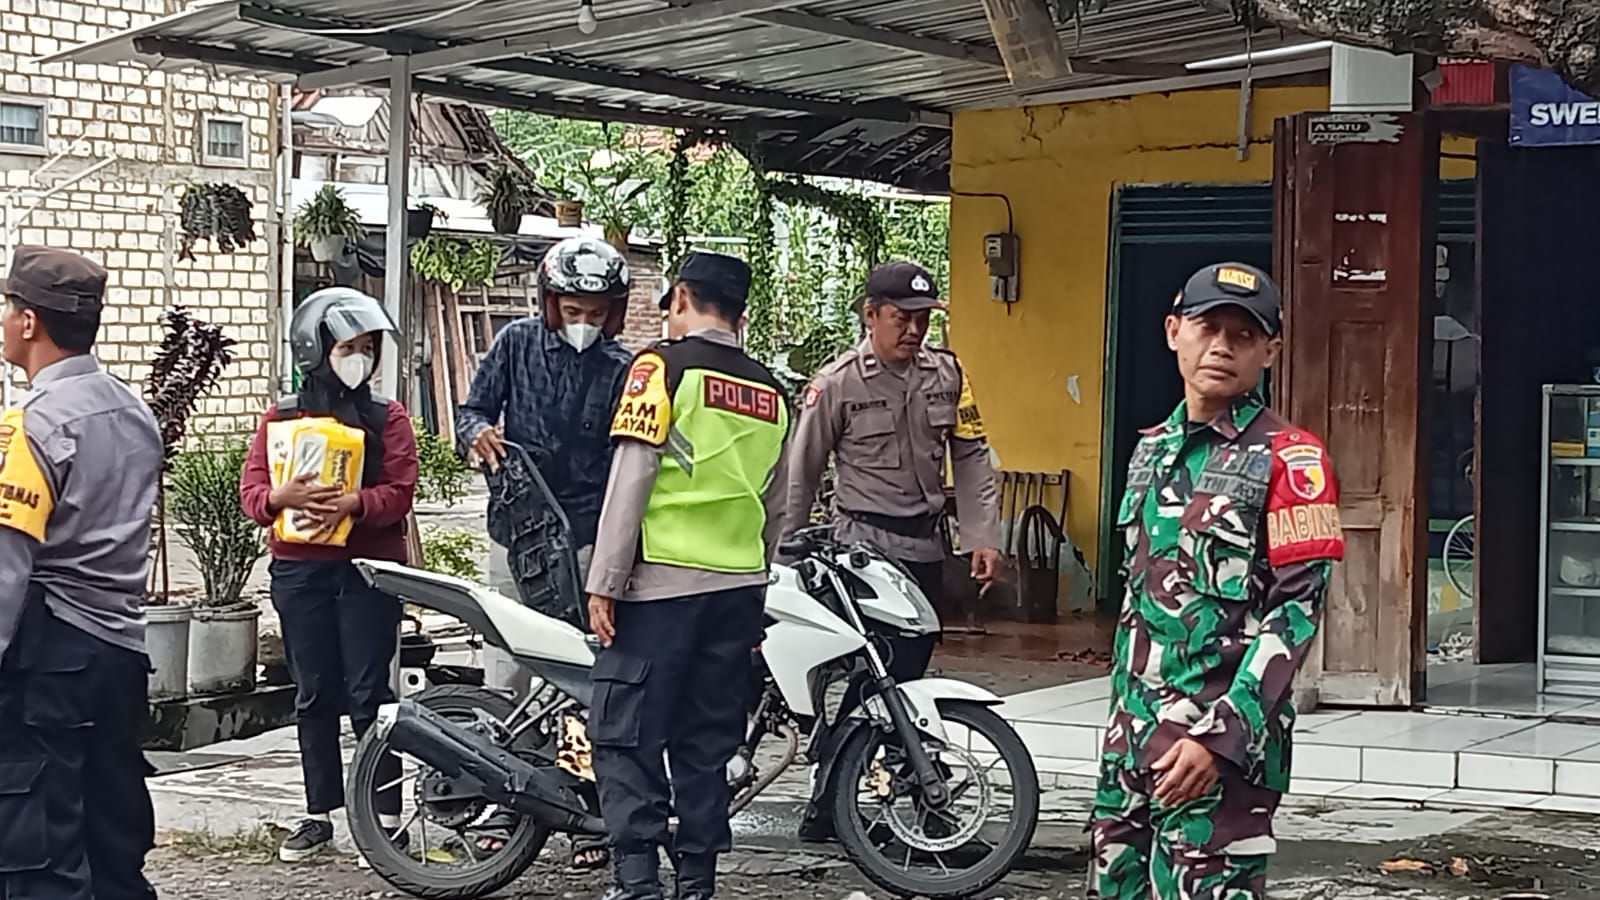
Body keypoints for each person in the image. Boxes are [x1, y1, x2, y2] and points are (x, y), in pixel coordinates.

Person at [1089, 263, 1344, 899]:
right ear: (1175, 332)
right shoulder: (1150, 450)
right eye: (1208, 327)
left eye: (1244, 334)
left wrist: (1221, 740)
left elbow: (1295, 616)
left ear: (1271, 350)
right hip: (1132, 741)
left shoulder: (1292, 460)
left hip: (1219, 753)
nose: (1222, 346)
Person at [586, 251, 791, 900]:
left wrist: (605, 580)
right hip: (735, 592)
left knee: (629, 735)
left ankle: (639, 881)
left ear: (680, 298)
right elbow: (778, 505)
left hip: (659, 589)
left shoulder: (660, 368)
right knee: (706, 743)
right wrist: (755, 584)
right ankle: (697, 882)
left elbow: (634, 475)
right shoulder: (771, 391)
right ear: (741, 315)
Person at [783, 259, 1001, 842]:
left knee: (908, 681)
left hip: (925, 549)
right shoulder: (835, 385)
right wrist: (783, 558)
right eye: (901, 318)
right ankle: (839, 799)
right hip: (861, 553)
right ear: (871, 315)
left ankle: (866, 798)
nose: (913, 330)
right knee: (871, 681)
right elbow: (800, 472)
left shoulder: (948, 375)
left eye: (923, 320)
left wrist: (982, 535)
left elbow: (974, 454)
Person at [453, 236, 633, 867]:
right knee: (511, 671)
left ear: (612, 312)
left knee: (587, 681)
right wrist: (478, 436)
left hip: (588, 540)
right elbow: (470, 410)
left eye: (595, 310)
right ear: (550, 302)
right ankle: (505, 806)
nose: (583, 321)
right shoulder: (515, 344)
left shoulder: (624, 370)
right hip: (519, 532)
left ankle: (587, 814)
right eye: (572, 308)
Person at [0, 246, 164, 900]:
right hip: (122, 653)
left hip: (50, 659)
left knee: (41, 854)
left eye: (8, 309)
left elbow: (9, 565)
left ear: (30, 322)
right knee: (114, 844)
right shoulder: (134, 413)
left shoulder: (32, 427)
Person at [238, 287, 419, 863]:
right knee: (314, 694)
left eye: (368, 349)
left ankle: (385, 816)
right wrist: (280, 496)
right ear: (315, 350)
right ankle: (319, 814)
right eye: (348, 346)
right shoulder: (282, 417)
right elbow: (252, 491)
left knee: (373, 695)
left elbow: (399, 491)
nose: (359, 358)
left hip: (368, 573)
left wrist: (354, 505)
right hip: (300, 572)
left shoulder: (386, 417)